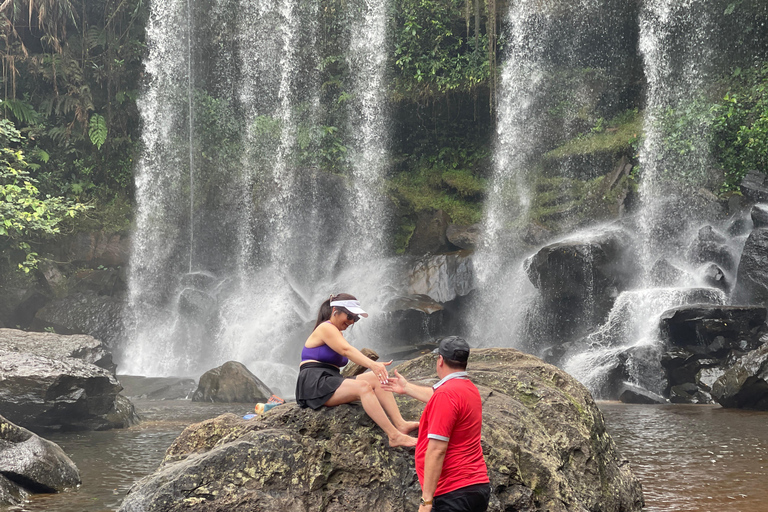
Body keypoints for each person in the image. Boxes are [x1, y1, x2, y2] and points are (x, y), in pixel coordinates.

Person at [295, 293, 418, 448]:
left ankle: (401, 424)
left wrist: (375, 368)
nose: (352, 321)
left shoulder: (336, 332)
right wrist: (373, 364)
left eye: (356, 318)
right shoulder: (326, 327)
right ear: (335, 311)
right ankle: (394, 436)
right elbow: (347, 350)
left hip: (331, 378)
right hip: (315, 382)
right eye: (350, 316)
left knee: (377, 378)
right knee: (364, 387)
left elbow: (347, 352)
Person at [382, 336, 490, 512]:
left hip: (453, 492)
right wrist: (407, 388)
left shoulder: (446, 395)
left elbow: (437, 450)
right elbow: (442, 399)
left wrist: (426, 501)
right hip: (476, 487)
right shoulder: (469, 388)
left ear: (440, 360)